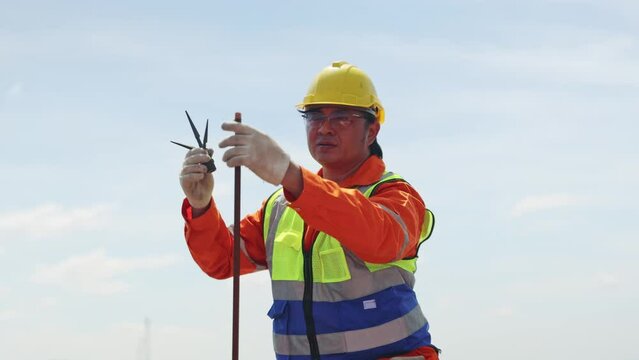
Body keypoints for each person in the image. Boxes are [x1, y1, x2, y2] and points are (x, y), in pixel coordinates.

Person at [179, 61, 439, 360]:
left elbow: (377, 237)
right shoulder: (281, 206)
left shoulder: (396, 196)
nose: (324, 127)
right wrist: (201, 207)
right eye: (314, 117)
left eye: (343, 118)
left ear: (372, 131)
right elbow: (223, 260)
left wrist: (291, 176)